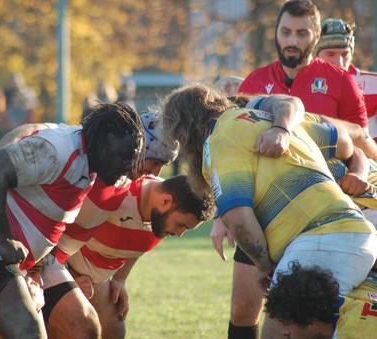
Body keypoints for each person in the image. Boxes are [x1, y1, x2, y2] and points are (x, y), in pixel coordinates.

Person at [160, 83, 377, 338]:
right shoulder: (272, 119)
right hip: (358, 233)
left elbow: (239, 221)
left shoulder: (220, 140)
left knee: (281, 327)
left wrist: (263, 266)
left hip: (322, 241)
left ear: (186, 132)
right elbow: (344, 144)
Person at [0, 102, 145, 339]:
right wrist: (4, 239)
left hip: (2, 254)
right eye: (123, 156)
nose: (129, 167)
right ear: (104, 141)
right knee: (29, 332)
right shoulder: (59, 149)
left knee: (80, 329)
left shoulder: (87, 160)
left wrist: (34, 269)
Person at [48, 175, 210, 338]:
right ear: (166, 201)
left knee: (114, 330)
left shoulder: (159, 216)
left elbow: (138, 243)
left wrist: (120, 279)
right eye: (181, 225)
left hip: (95, 281)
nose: (179, 234)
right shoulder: (117, 194)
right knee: (81, 331)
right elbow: (58, 232)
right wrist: (67, 279)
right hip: (56, 270)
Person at [238, 1, 369, 134]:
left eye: (301, 34)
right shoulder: (254, 81)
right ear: (276, 32)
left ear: (317, 36)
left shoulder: (341, 81)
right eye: (286, 32)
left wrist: (320, 124)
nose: (292, 41)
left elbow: (364, 145)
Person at [265, 261, 377, 338]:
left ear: (313, 321)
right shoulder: (350, 302)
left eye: (287, 323)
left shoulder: (351, 333)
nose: (283, 331)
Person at [314, 18, 377, 144]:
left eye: (345, 54)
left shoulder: (374, 84)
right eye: (330, 55)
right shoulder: (301, 83)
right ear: (315, 54)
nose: (339, 63)